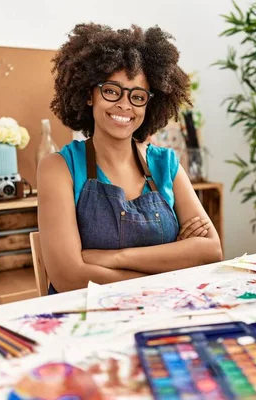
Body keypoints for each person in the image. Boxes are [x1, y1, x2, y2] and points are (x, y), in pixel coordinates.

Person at [37, 23, 223, 294]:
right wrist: (173, 261)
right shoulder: (59, 168)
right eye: (112, 91)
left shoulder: (165, 164)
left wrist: (114, 257)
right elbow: (68, 277)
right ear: (90, 94)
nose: (124, 105)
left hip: (161, 311)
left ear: (149, 104)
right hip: (85, 319)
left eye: (137, 97)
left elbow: (211, 250)